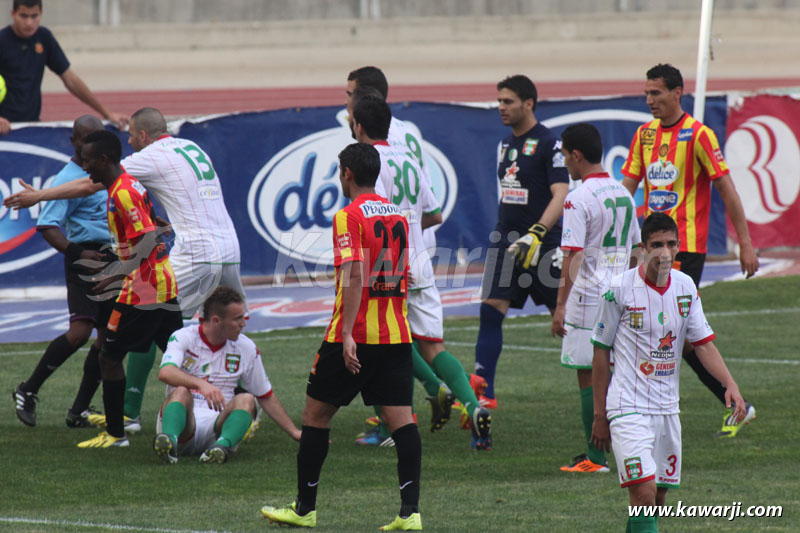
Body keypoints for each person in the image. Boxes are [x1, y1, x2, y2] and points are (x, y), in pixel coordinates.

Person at [4, 106, 247, 431]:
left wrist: (40, 196)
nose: (129, 141)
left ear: (142, 136)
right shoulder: (189, 147)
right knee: (212, 330)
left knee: (160, 338)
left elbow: (100, 193)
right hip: (226, 247)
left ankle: (148, 417)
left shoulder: (130, 173)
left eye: (131, 135)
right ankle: (240, 403)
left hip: (177, 259)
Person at [260, 143, 422, 531]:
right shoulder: (397, 215)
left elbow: (354, 274)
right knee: (402, 422)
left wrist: (347, 332)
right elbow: (399, 271)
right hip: (396, 334)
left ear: (346, 173)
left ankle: (304, 509)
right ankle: (410, 513)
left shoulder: (347, 217)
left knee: (315, 416)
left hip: (354, 334)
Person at [621, 63, 758, 437]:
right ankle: (731, 403)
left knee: (676, 331)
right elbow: (625, 190)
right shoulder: (644, 136)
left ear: (677, 93)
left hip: (685, 249)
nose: (650, 100)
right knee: (664, 332)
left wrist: (744, 242)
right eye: (647, 93)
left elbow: (727, 189)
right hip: (649, 248)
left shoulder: (698, 136)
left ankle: (729, 403)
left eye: (656, 93)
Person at [351, 90, 492, 451]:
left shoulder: (369, 163)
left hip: (389, 260)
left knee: (381, 342)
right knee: (432, 344)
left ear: (359, 125)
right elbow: (434, 214)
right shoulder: (409, 158)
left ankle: (401, 418)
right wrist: (411, 227)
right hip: (419, 258)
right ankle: (473, 408)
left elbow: (373, 214)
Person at [590, 212, 746, 533]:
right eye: (656, 244)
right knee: (644, 494)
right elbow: (600, 351)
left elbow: (702, 344)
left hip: (667, 411)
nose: (664, 251)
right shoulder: (618, 290)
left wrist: (729, 384)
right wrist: (599, 414)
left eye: (671, 244)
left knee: (656, 500)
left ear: (678, 248)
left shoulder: (686, 287)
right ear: (642, 249)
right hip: (627, 408)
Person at [75, 130, 182, 449]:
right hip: (159, 281)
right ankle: (237, 405)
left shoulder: (122, 192)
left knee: (109, 355)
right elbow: (155, 228)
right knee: (182, 357)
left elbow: (148, 239)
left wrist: (112, 275)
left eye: (88, 160)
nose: (85, 167)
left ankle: (116, 434)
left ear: (104, 159)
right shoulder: (129, 185)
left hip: (144, 289)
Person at [474, 74, 569, 408]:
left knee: (571, 320)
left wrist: (538, 232)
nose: (500, 107)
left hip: (542, 245)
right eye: (499, 100)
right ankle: (485, 394)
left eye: (508, 101)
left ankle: (611, 384)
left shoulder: (549, 143)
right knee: (489, 312)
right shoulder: (505, 144)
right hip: (506, 242)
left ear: (528, 103)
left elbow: (561, 193)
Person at [551, 123, 641, 473]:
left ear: (576, 155)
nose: (565, 163)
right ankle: (623, 451)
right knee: (616, 376)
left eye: (565, 156)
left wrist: (560, 306)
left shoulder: (578, 198)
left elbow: (572, 256)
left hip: (589, 298)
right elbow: (637, 249)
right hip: (620, 293)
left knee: (587, 375)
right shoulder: (622, 192)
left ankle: (596, 457)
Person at [11, 115, 112, 428]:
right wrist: (78, 252)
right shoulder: (67, 178)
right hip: (84, 258)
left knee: (108, 340)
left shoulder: (106, 172)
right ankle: (28, 389)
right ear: (73, 142)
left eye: (96, 137)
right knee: (80, 333)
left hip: (112, 260)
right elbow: (47, 225)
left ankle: (79, 410)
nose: (90, 145)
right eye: (84, 139)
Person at [153, 286, 300, 464]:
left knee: (247, 399)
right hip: (184, 424)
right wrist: (200, 384)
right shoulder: (183, 337)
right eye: (238, 319)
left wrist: (295, 432)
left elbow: (265, 395)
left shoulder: (246, 348)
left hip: (217, 427)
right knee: (181, 391)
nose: (243, 324)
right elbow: (165, 372)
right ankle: (169, 443)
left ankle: (221, 447)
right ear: (216, 320)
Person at [0, 0, 127, 134]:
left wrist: (106, 113)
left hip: (31, 124)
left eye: (34, 16)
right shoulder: (2, 40)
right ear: (13, 14)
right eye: (23, 16)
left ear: (41, 14)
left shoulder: (44, 37)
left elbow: (70, 79)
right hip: (4, 127)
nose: (29, 23)